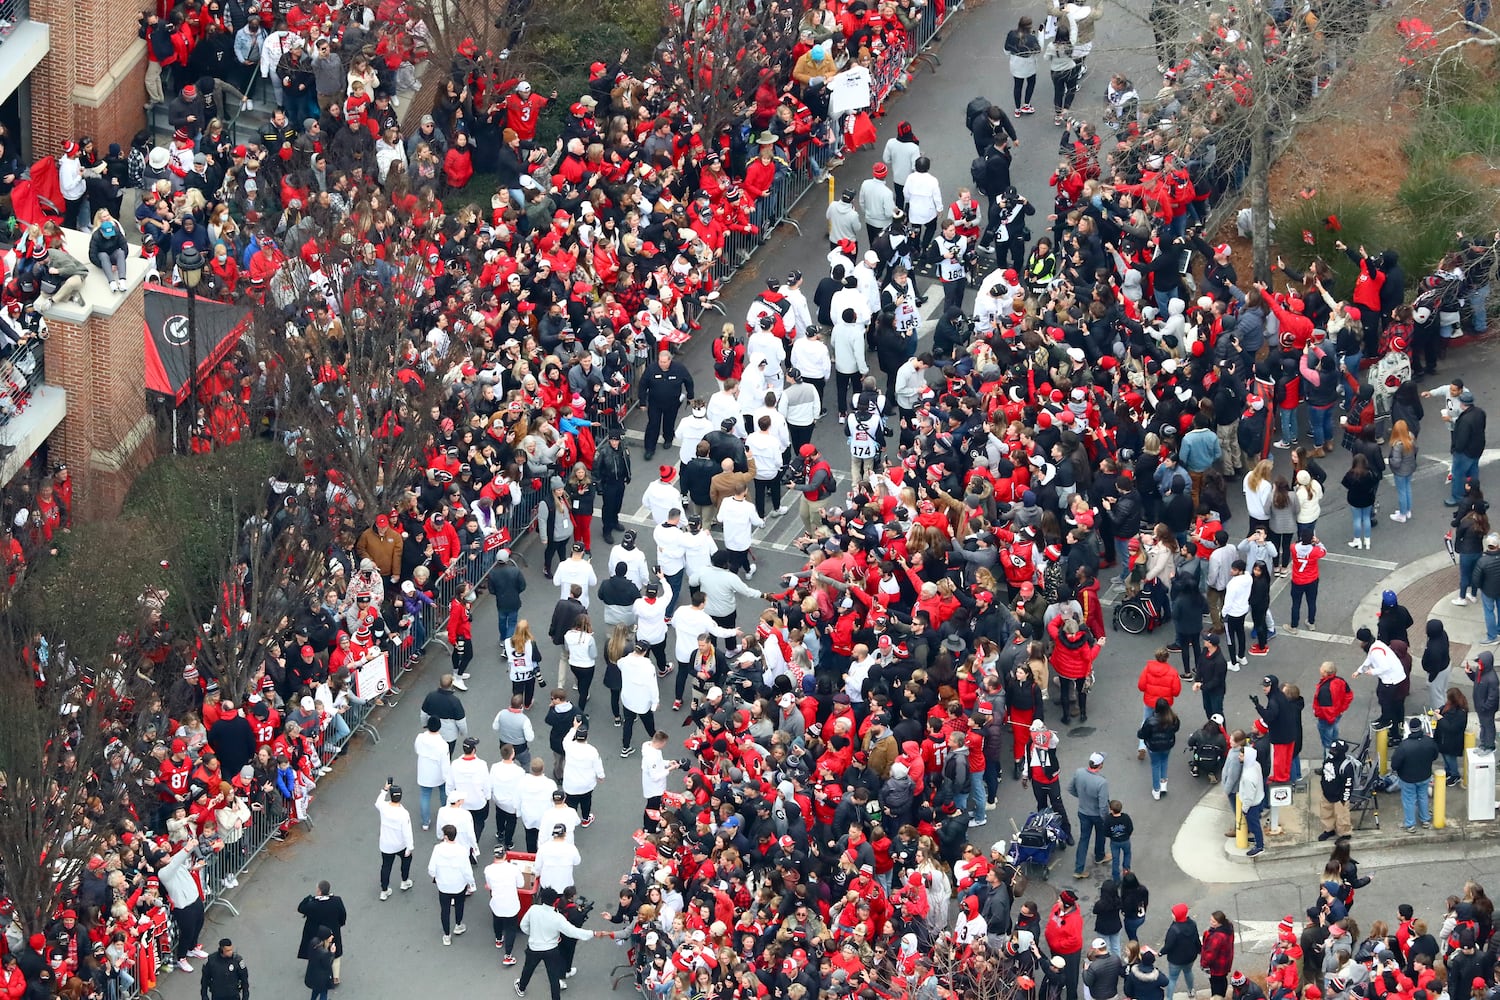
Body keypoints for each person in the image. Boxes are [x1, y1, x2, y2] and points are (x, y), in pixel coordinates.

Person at [514, 887, 612, 1000]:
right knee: (554, 978)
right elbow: (574, 932)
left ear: (541, 899)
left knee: (528, 969)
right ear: (554, 901)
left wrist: (533, 934)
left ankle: (521, 988)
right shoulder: (557, 918)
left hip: (534, 948)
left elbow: (523, 926)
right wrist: (594, 933)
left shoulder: (533, 909)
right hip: (551, 950)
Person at [427, 823, 476, 945]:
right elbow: (467, 870)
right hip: (459, 884)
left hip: (443, 885)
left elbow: (431, 868)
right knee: (459, 905)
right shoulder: (462, 850)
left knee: (445, 910)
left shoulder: (438, 849)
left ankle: (446, 935)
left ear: (446, 837)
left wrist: (435, 876)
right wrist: (471, 883)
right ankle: (458, 925)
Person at [1390, 717, 1439, 832]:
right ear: (1420, 727)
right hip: (1425, 775)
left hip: (1408, 778)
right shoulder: (1429, 741)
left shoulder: (1404, 746)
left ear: (1410, 729)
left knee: (1409, 800)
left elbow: (1395, 764)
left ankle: (1410, 824)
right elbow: (1435, 755)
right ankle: (1425, 819)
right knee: (1423, 796)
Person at [1068, 751, 1110, 879]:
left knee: (1084, 839)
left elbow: (1070, 788)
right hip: (1097, 814)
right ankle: (1099, 856)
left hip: (1083, 811)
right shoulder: (1102, 782)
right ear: (1100, 765)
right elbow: (1103, 805)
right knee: (1100, 835)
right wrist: (1105, 818)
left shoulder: (1079, 772)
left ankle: (1079, 869)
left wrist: (1081, 797)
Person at [295, 881, 346, 987]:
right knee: (335, 953)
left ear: (319, 891)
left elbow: (300, 908)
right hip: (333, 931)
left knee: (317, 952)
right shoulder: (337, 901)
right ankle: (335, 977)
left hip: (316, 933)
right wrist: (339, 925)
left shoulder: (312, 904)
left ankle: (318, 972)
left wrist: (308, 897)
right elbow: (342, 914)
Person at [485, 845, 526, 965]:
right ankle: (508, 955)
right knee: (511, 929)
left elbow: (489, 886)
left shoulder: (488, 869)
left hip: (497, 902)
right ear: (505, 855)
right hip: (511, 904)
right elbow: (521, 884)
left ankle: (498, 939)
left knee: (497, 920)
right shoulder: (513, 869)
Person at [560, 718, 604, 826]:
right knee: (586, 802)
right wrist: (601, 776)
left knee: (570, 803)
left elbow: (566, 739)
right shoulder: (592, 750)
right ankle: (585, 819)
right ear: (586, 736)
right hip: (586, 784)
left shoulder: (568, 746)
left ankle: (571, 822)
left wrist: (574, 727)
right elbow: (598, 764)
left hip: (571, 784)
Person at [1445, 388, 1486, 507]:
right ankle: (1473, 493)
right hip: (1477, 448)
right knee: (1473, 471)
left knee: (1458, 474)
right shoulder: (1480, 412)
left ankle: (1457, 497)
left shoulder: (1465, 420)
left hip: (1465, 452)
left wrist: (1456, 449)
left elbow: (1461, 440)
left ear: (1462, 403)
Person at [375, 782, 414, 899]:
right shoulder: (403, 813)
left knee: (386, 866)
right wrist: (410, 846)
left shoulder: (384, 807)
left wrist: (384, 789)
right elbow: (407, 831)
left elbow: (378, 802)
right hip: (400, 844)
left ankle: (384, 890)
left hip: (386, 844)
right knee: (406, 860)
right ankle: (404, 881)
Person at [1137, 698, 1180, 800]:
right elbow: (1176, 728)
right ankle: (1163, 784)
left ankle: (1156, 790)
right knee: (1164, 761)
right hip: (1167, 745)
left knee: (1155, 765)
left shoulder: (1150, 721)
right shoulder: (1173, 718)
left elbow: (1142, 734)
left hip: (1153, 746)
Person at [413, 716, 450, 830]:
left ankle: (425, 822)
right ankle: (446, 817)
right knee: (443, 793)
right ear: (439, 727)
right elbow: (445, 764)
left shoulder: (420, 738)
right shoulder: (443, 744)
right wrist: (447, 778)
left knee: (425, 796)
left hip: (424, 772)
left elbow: (416, 749)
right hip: (438, 774)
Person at [1317, 740, 1357, 841]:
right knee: (1326, 812)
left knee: (1342, 815)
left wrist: (1344, 798)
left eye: (1334, 751)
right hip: (1326, 793)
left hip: (1340, 796)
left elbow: (1348, 784)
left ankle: (1345, 834)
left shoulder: (1346, 766)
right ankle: (1329, 829)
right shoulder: (1328, 759)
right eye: (1331, 750)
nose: (1331, 752)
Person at [1312, 662, 1354, 750]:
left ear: (1325, 672)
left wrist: (1330, 719)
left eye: (1321, 668)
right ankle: (1336, 753)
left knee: (1327, 744)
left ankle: (1328, 760)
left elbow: (1326, 709)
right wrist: (1342, 709)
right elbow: (1349, 695)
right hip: (1337, 714)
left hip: (1327, 719)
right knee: (1334, 736)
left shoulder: (1325, 689)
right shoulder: (1340, 681)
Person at [1162, 903, 1201, 999]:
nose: (1172, 915)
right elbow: (1196, 940)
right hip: (1190, 956)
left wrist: (1160, 953)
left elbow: (1168, 945)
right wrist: (1200, 950)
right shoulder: (1192, 924)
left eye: (1173, 913)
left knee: (1172, 978)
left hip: (1175, 960)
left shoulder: (1174, 929)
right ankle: (1191, 990)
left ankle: (1169, 998)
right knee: (1188, 972)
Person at [1237, 744, 1266, 857]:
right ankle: (1257, 839)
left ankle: (1259, 846)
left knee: (1254, 824)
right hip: (1259, 798)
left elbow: (1249, 796)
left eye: (1241, 755)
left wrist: (1244, 809)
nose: (1239, 757)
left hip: (1252, 805)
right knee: (1255, 823)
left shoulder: (1248, 776)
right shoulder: (1256, 765)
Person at [1468, 650, 1499, 751]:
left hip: (1486, 710)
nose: (1478, 665)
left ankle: (1489, 746)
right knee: (1483, 725)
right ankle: (1483, 744)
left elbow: (1493, 697)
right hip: (1480, 707)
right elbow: (1476, 679)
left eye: (1480, 663)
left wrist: (1484, 707)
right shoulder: (1480, 671)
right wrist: (1470, 673)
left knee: (1488, 726)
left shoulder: (1492, 679)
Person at [1200, 912, 1235, 999]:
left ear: (1220, 922)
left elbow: (1210, 954)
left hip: (1217, 966)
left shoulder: (1217, 937)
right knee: (1223, 979)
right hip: (1225, 961)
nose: (1211, 922)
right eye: (1211, 920)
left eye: (1214, 921)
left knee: (1215, 983)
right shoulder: (1228, 928)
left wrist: (1204, 964)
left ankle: (1217, 997)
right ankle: (1222, 995)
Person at [302, 928, 335, 1000]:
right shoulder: (324, 953)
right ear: (325, 938)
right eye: (330, 936)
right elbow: (328, 964)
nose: (332, 937)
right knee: (323, 993)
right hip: (322, 979)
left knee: (315, 991)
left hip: (313, 976)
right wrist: (332, 953)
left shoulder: (313, 944)